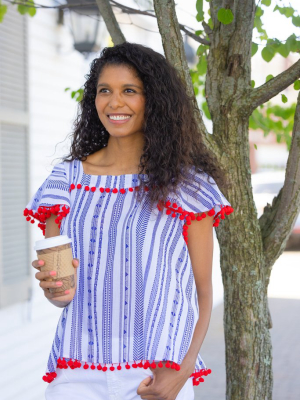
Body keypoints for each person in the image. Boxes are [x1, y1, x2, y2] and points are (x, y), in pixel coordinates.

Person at [24, 42, 234, 400]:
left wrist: (182, 373)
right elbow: (62, 295)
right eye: (104, 90)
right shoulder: (65, 182)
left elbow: (203, 292)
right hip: (77, 375)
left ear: (154, 101)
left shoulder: (187, 186)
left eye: (129, 91)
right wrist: (54, 288)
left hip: (156, 372)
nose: (114, 102)